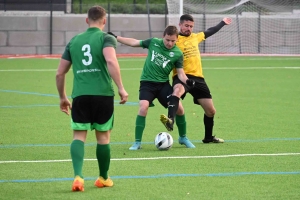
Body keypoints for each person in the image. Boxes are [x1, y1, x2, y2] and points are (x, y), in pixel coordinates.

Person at [55, 5, 128, 192]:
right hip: (102, 94)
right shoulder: (106, 37)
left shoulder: (74, 41)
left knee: (79, 136)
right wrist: (121, 88)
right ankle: (103, 178)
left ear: (87, 20)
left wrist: (63, 97)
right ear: (104, 21)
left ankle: (78, 176)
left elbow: (60, 73)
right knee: (103, 137)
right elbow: (111, 60)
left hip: (80, 95)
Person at [108, 25, 196, 150]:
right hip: (147, 83)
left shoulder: (177, 54)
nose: (169, 43)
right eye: (167, 40)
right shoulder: (153, 42)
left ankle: (183, 137)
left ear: (177, 39)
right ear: (163, 37)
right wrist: (116, 38)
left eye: (173, 41)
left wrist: (188, 81)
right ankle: (137, 142)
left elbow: (181, 73)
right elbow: (134, 42)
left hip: (163, 85)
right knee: (143, 107)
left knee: (180, 109)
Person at [160, 14, 232, 143]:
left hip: (198, 79)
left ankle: (208, 137)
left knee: (211, 111)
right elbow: (161, 46)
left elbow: (210, 31)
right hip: (182, 76)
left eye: (191, 26)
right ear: (180, 25)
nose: (189, 28)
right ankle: (170, 120)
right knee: (176, 91)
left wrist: (222, 22)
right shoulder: (174, 40)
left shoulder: (195, 37)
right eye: (186, 26)